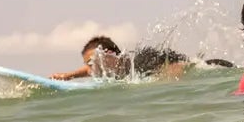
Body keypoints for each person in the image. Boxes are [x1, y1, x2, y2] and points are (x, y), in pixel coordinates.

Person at [49, 35, 191, 81]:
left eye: (93, 62)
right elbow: (88, 70)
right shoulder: (109, 70)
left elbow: (177, 67)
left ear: (110, 55)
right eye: (89, 64)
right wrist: (67, 76)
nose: (92, 69)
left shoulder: (140, 65)